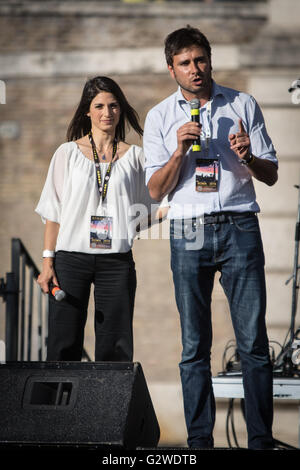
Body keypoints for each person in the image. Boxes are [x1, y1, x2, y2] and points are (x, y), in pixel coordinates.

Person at [143, 26, 278, 450]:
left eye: (200, 59)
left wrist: (248, 155)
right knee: (194, 345)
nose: (195, 69)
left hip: (239, 226)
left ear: (210, 60)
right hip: (189, 229)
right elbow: (153, 191)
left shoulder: (242, 103)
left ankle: (260, 440)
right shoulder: (160, 117)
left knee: (253, 342)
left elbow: (271, 174)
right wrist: (179, 150)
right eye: (185, 63)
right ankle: (199, 442)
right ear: (171, 69)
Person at [36, 76, 157, 362]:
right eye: (99, 106)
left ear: (121, 110)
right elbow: (54, 211)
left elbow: (152, 206)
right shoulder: (67, 153)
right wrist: (47, 262)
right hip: (70, 259)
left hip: (116, 261)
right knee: (63, 344)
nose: (107, 112)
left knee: (116, 347)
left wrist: (130, 227)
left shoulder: (136, 157)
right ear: (87, 111)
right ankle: (58, 406)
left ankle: (109, 407)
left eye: (114, 105)